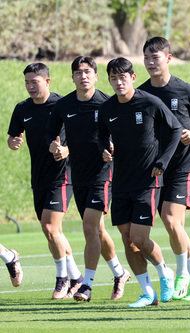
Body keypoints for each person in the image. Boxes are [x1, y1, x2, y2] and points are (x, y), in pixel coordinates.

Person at [98, 57, 181, 307]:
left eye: (122, 77)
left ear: (133, 78)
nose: (118, 82)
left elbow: (176, 129)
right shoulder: (108, 108)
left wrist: (163, 161)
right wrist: (105, 148)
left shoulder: (149, 102)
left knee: (140, 238)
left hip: (148, 180)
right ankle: (147, 292)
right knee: (127, 239)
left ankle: (165, 271)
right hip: (121, 181)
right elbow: (101, 134)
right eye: (113, 78)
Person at [46, 56, 130, 302]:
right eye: (78, 72)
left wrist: (113, 145)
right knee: (98, 230)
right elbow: (52, 132)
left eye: (87, 72)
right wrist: (55, 145)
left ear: (95, 76)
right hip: (78, 175)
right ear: (72, 77)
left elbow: (124, 133)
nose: (83, 76)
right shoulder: (64, 106)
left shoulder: (107, 103)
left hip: (104, 175)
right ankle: (120, 273)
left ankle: (87, 285)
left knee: (89, 227)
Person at [138, 37, 190, 301]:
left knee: (169, 219)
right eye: (146, 58)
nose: (151, 63)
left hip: (183, 165)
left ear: (169, 58)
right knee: (175, 226)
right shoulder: (141, 93)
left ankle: (182, 275)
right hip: (156, 168)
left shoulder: (186, 90)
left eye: (155, 58)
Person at [7, 63, 83, 299]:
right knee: (52, 231)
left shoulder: (62, 106)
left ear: (47, 81)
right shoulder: (22, 109)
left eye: (35, 82)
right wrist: (13, 142)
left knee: (51, 228)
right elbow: (13, 136)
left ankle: (62, 279)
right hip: (38, 177)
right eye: (27, 82)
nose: (30, 86)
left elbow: (82, 139)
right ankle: (77, 278)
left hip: (62, 176)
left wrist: (67, 150)